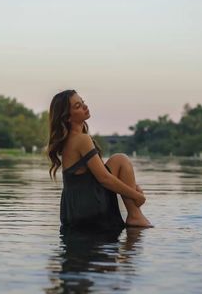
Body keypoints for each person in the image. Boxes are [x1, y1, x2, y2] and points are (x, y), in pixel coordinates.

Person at [47, 89, 152, 233]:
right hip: (88, 212)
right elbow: (104, 178)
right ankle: (135, 216)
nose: (84, 106)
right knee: (121, 160)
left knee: (118, 161)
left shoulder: (70, 139)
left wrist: (131, 186)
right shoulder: (81, 139)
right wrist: (135, 195)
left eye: (82, 102)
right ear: (68, 118)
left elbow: (98, 175)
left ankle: (135, 216)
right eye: (77, 106)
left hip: (73, 212)